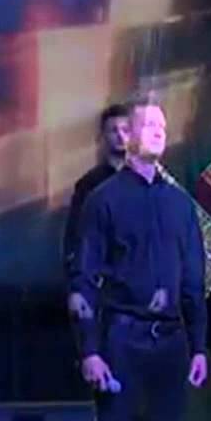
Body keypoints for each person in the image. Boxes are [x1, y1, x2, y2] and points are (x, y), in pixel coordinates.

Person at [73, 99, 209, 421]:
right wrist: (90, 350)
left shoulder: (179, 204)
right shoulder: (103, 200)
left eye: (162, 125)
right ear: (127, 136)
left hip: (169, 340)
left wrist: (198, 346)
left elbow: (193, 280)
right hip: (122, 337)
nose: (158, 130)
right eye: (148, 124)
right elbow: (85, 278)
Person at [63, 104, 132, 321]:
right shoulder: (88, 185)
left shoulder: (150, 181)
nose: (120, 136)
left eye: (126, 129)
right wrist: (76, 288)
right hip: (103, 285)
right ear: (103, 137)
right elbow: (75, 238)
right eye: (114, 130)